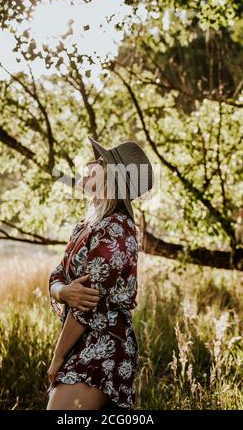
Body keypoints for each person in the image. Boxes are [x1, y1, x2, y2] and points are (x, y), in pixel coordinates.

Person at [46, 135, 154, 410]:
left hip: (104, 345)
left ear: (110, 178)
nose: (91, 163)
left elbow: (87, 304)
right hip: (80, 343)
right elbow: (57, 276)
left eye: (100, 161)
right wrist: (63, 292)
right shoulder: (86, 225)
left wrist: (57, 358)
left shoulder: (117, 231)